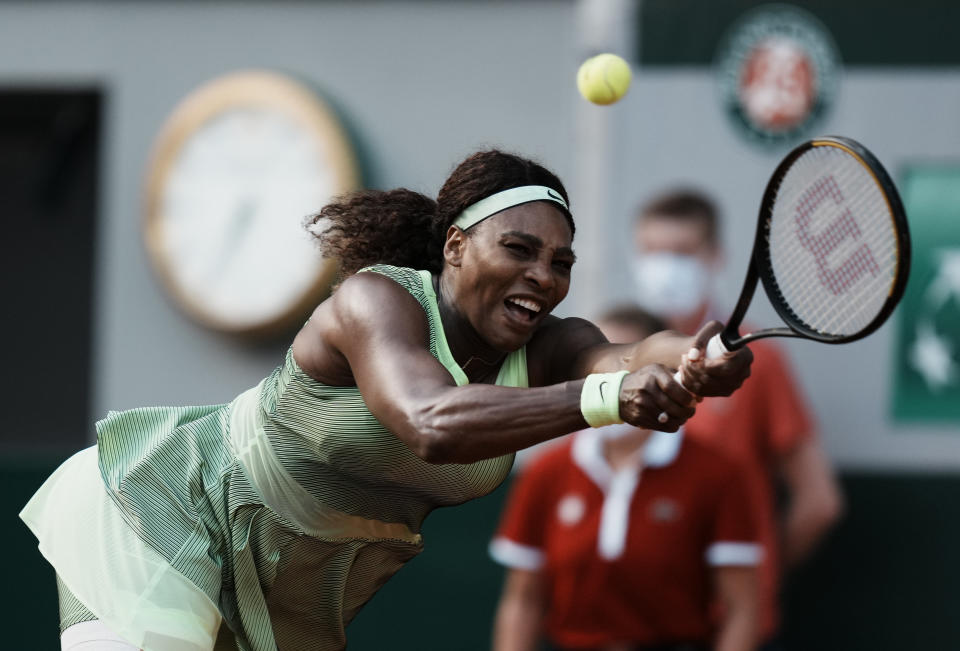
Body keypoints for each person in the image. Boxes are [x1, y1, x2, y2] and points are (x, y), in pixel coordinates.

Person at [19, 150, 753, 651]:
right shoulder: (376, 301)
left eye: (560, 262)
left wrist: (689, 355)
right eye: (519, 249)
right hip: (170, 512)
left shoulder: (553, 346)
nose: (544, 274)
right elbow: (430, 420)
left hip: (289, 585)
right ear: (457, 244)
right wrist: (607, 395)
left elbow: (634, 354)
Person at [631, 190, 844, 648]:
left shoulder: (760, 360)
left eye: (682, 252)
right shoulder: (617, 355)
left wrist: (753, 576)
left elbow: (818, 502)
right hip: (624, 620)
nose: (665, 268)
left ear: (715, 257)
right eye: (651, 252)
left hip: (726, 625)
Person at [490, 305, 762, 651]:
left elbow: (742, 608)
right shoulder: (548, 471)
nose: (606, 379)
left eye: (623, 364)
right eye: (593, 366)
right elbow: (522, 601)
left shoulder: (717, 474)